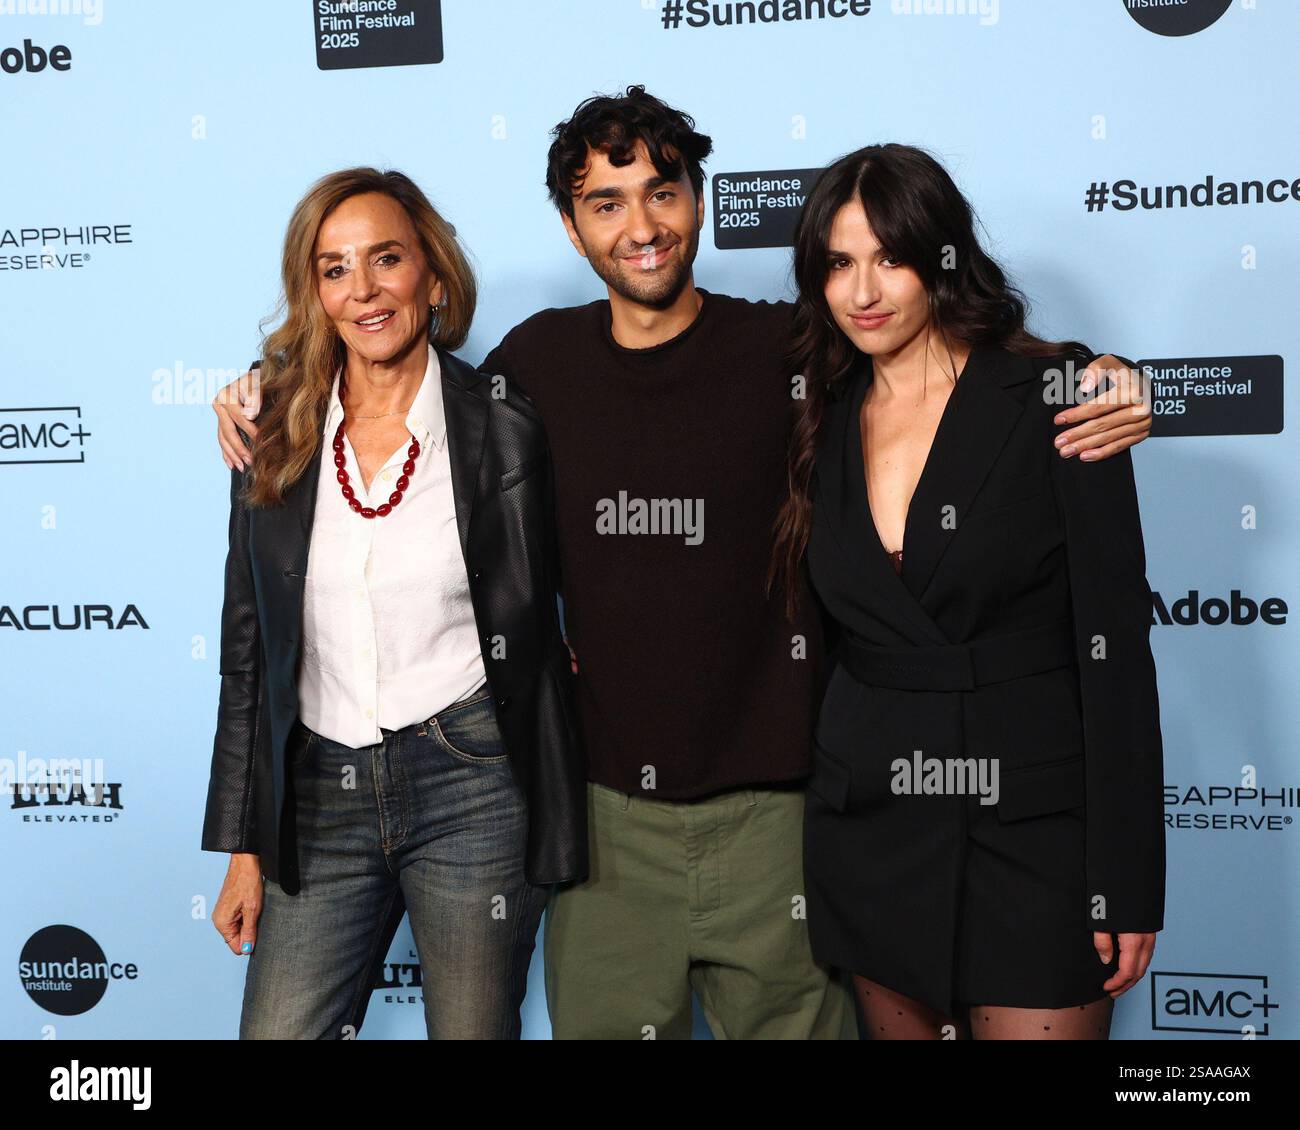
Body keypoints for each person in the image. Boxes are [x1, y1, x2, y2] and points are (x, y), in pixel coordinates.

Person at [210, 88, 1153, 1040]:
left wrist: (1101, 374)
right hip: (609, 825)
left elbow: (942, 366)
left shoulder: (795, 351)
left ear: (699, 199)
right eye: (606, 203)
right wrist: (270, 387)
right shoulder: (529, 371)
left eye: (662, 191)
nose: (641, 226)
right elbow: (396, 386)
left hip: (786, 823)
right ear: (573, 231)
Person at [771, 143, 1164, 1040]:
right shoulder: (814, 413)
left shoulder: (1062, 391)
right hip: (874, 829)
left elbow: (1117, 655)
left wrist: (1129, 877)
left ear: (943, 258)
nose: (862, 291)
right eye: (838, 263)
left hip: (1034, 835)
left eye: (891, 257)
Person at [201, 167, 585, 1040]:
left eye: (386, 260)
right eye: (335, 269)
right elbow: (248, 650)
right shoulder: (274, 430)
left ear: (434, 278)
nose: (363, 289)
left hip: (474, 782)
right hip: (317, 793)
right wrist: (244, 846)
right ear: (315, 291)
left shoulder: (506, 424)